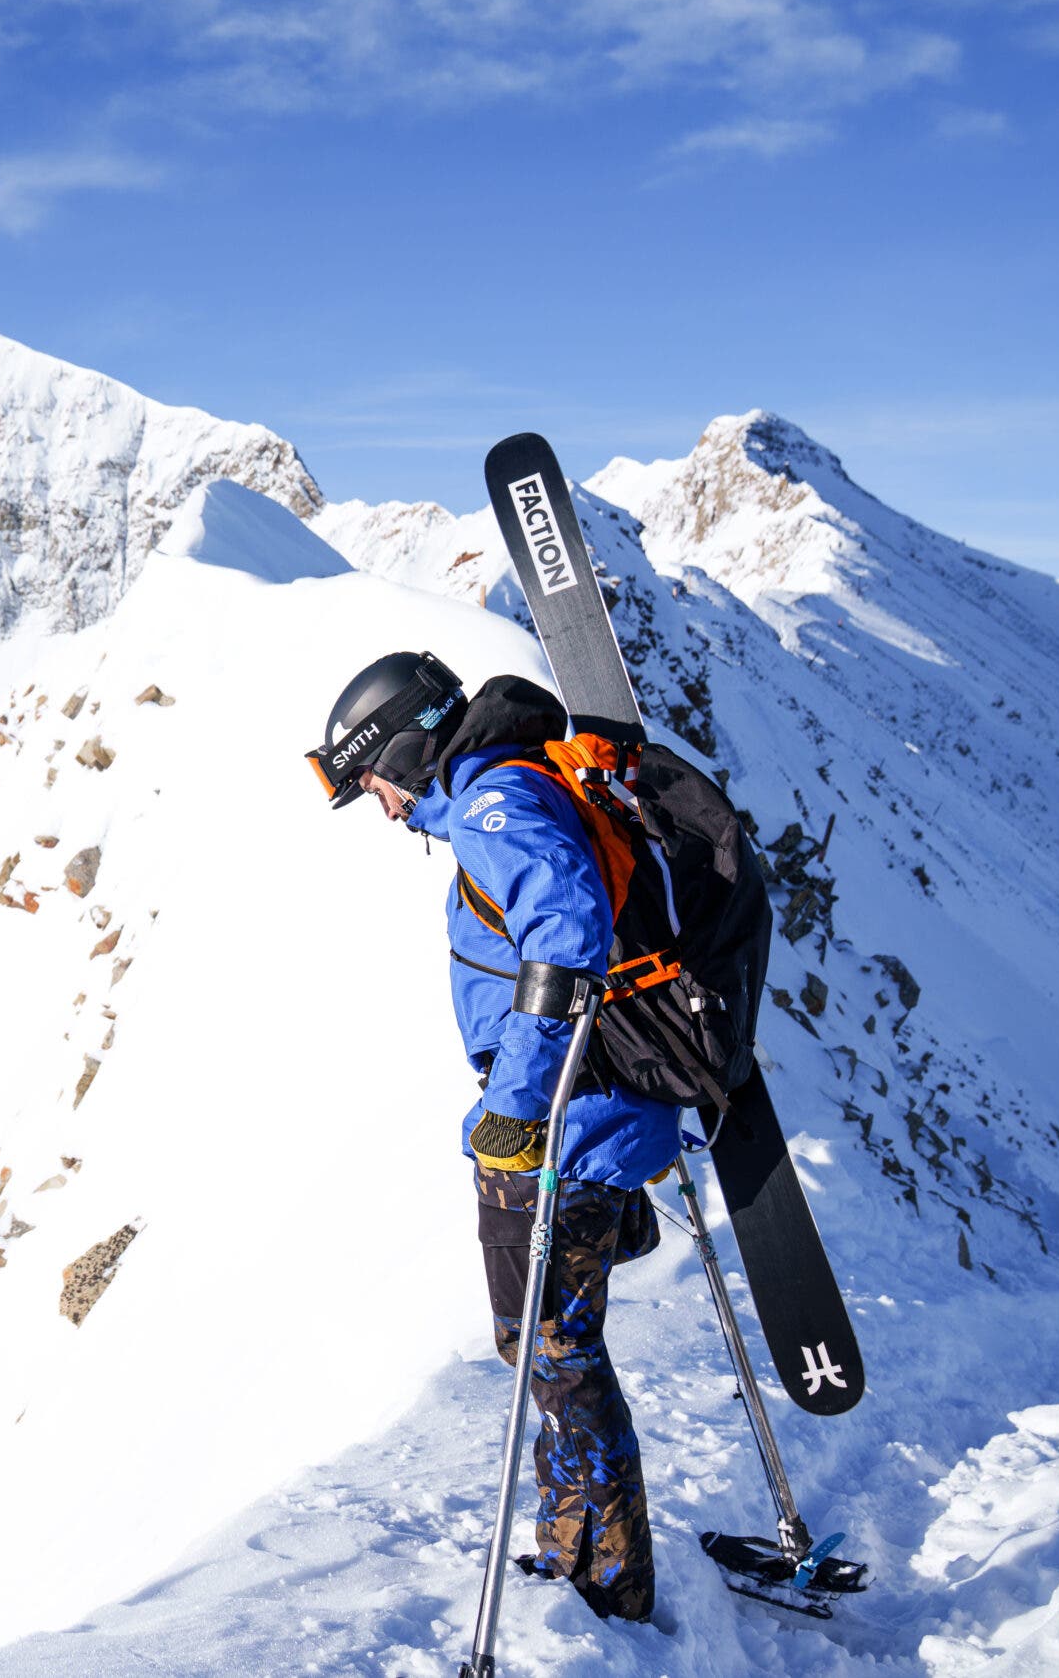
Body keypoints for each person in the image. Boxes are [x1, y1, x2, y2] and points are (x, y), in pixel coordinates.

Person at [307, 650, 674, 1624]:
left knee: (552, 1352)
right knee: (547, 1348)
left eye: (374, 782)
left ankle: (606, 1585)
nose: (381, 808)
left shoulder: (492, 806)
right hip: (585, 1115)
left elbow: (565, 932)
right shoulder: (505, 789)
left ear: (410, 748)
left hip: (561, 1129)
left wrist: (513, 1111)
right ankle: (580, 1553)